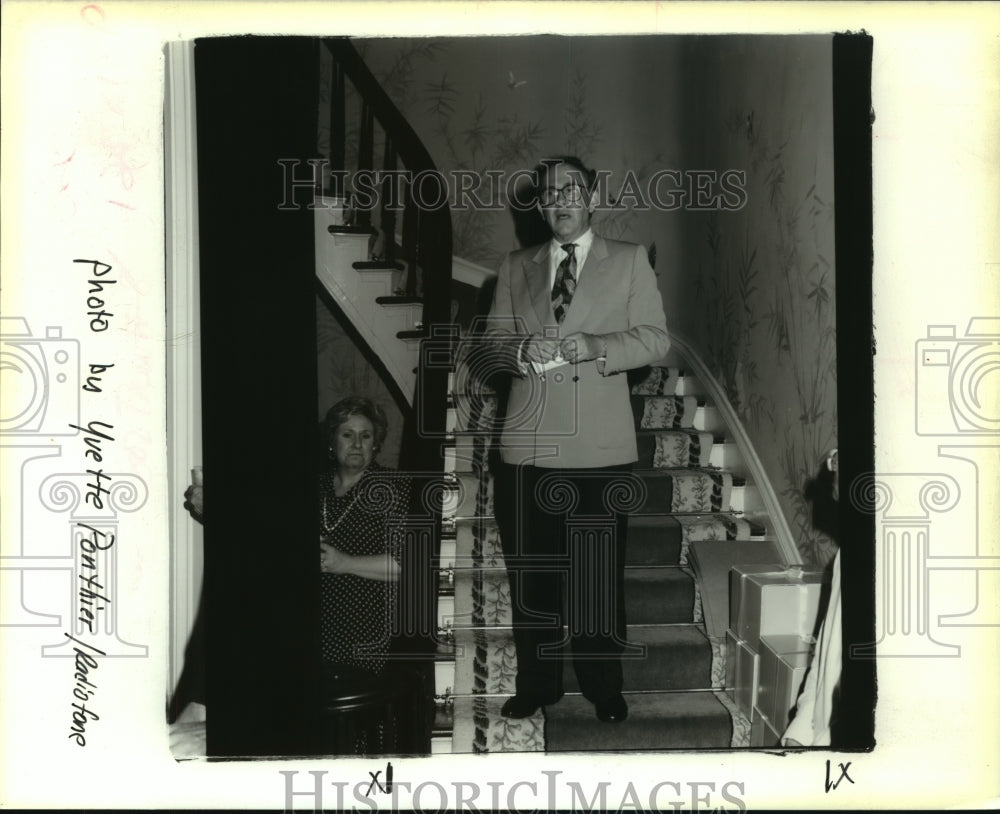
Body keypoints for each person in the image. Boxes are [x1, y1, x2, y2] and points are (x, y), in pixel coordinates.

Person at [477, 156, 671, 723]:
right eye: (547, 193)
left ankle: (602, 684)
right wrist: (516, 352)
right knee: (531, 573)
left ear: (590, 197)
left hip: (599, 451)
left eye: (570, 189)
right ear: (539, 206)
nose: (558, 200)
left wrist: (600, 345)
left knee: (595, 574)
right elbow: (490, 344)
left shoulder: (630, 261)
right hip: (526, 446)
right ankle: (538, 684)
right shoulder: (515, 264)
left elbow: (657, 338)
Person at [318, 396, 411, 679]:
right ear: (333, 441)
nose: (357, 443)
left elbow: (408, 564)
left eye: (365, 435)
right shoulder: (314, 484)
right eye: (348, 434)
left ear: (376, 443)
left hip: (365, 631)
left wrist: (345, 563)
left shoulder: (396, 487)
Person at [782, 448, 842, 747]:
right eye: (836, 457)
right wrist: (800, 730)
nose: (832, 467)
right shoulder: (846, 558)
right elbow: (827, 656)